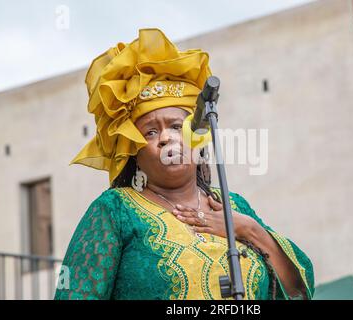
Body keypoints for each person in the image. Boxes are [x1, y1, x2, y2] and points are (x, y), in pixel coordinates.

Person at [54, 28, 314, 300]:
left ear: (197, 138)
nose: (166, 138)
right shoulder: (115, 210)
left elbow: (299, 291)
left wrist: (249, 230)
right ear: (134, 152)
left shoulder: (233, 205)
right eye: (150, 133)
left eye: (177, 127)